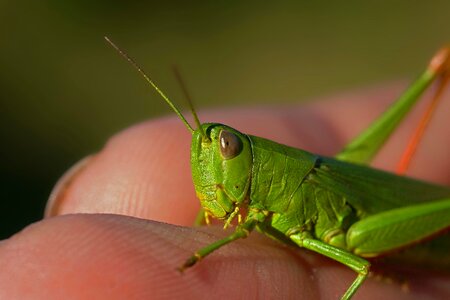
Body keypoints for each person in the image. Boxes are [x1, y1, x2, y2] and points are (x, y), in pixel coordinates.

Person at [0, 84, 449, 299]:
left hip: (370, 232)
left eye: (226, 149)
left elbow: (355, 267)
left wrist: (203, 253)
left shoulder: (273, 198)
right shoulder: (254, 201)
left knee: (351, 249)